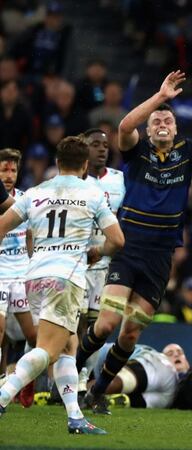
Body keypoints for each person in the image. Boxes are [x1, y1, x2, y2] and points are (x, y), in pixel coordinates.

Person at [77, 70, 192, 414]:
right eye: (157, 120)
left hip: (161, 258)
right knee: (105, 324)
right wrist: (160, 98)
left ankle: (96, 392)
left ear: (176, 130)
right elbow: (125, 126)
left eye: (168, 120)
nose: (162, 122)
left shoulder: (188, 153)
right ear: (149, 130)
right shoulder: (137, 152)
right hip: (128, 250)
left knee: (130, 335)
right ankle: (69, 372)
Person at [0, 136, 124, 434]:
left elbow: (2, 225)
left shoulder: (34, 193)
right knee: (48, 350)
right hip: (66, 279)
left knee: (68, 346)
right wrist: (97, 252)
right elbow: (117, 240)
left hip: (33, 278)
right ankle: (3, 396)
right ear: (84, 166)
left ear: (57, 164)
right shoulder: (93, 195)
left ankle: (75, 417)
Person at [77, 129, 125, 391]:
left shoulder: (120, 180)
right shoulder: (76, 181)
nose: (102, 149)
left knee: (96, 326)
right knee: (75, 323)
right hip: (78, 262)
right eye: (95, 144)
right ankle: (61, 379)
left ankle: (83, 378)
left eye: (105, 145)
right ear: (84, 149)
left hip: (105, 264)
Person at [0, 149, 38, 375]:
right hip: (0, 276)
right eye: (4, 170)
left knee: (34, 336)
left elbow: (32, 236)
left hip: (23, 275)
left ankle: (24, 378)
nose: (8, 175)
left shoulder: (27, 200)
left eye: (13, 170)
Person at [85, 343, 184, 409]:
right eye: (170, 353)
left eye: (180, 353)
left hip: (163, 376)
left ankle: (77, 396)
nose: (176, 355)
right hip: (165, 400)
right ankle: (120, 400)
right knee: (133, 400)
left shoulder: (160, 361)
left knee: (113, 383)